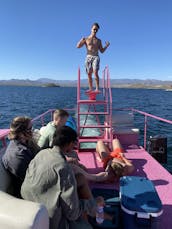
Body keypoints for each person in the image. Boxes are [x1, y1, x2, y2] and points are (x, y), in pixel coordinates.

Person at [21, 126, 100, 229]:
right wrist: (92, 203)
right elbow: (73, 214)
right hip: (51, 220)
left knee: (80, 178)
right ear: (69, 144)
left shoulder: (41, 154)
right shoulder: (63, 168)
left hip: (29, 207)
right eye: (74, 143)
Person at [2, 116, 40, 197]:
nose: (32, 131)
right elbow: (31, 180)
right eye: (30, 129)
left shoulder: (27, 142)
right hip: (29, 192)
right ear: (20, 133)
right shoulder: (17, 155)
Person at [76, 22, 110, 92]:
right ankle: (91, 88)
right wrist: (80, 40)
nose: (95, 31)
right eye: (94, 29)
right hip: (88, 57)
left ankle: (97, 88)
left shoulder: (98, 40)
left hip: (96, 57)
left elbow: (102, 51)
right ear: (91, 29)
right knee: (89, 73)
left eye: (96, 30)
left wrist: (106, 46)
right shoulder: (86, 39)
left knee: (95, 72)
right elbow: (78, 46)